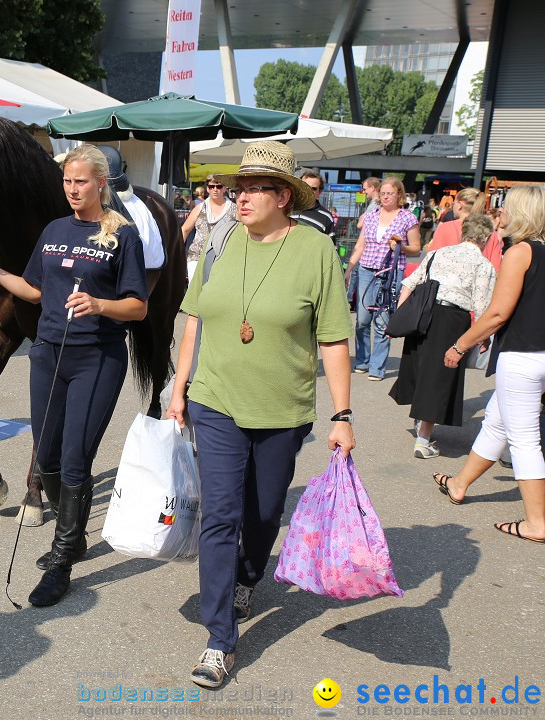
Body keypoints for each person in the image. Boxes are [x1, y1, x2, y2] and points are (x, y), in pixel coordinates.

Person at [165, 141, 354, 689]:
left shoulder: (315, 250)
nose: (239, 196)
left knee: (265, 510)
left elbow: (334, 337)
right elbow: (195, 319)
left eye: (253, 188)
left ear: (284, 197)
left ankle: (249, 576)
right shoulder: (221, 243)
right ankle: (219, 638)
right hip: (216, 399)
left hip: (281, 409)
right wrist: (179, 390)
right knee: (220, 515)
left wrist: (342, 413)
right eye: (238, 187)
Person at [0, 144, 148, 607]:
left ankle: (63, 556)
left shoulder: (121, 235)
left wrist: (100, 305)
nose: (71, 189)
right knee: (45, 458)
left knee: (74, 461)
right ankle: (72, 531)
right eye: (66, 181)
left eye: (80, 181)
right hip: (47, 355)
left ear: (101, 183)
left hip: (97, 360)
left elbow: (138, 306)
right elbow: (33, 288)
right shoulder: (54, 229)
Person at [433, 186, 545, 544]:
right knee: (498, 421)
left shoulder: (521, 251)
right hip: (539, 355)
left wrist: (460, 344)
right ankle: (459, 484)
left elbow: (497, 311)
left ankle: (536, 522)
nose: (501, 214)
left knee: (524, 439)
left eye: (505, 208)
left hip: (522, 355)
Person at [389, 214, 496, 459]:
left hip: (423, 313)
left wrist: (401, 315)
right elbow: (481, 306)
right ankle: (423, 440)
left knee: (420, 370)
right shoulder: (483, 265)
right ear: (486, 238)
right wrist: (483, 337)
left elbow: (410, 282)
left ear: (464, 232)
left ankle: (421, 425)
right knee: (438, 378)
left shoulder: (440, 253)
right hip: (452, 320)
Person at [344, 176, 421, 380]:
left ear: (399, 195)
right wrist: (349, 269)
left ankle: (377, 367)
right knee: (362, 319)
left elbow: (416, 248)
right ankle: (362, 360)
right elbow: (360, 246)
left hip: (390, 272)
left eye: (390, 194)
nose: (386, 197)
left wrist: (400, 247)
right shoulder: (371, 216)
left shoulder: (407, 218)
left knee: (382, 320)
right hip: (367, 270)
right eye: (383, 193)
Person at [427, 188, 500, 271]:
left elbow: (433, 262)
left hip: (448, 281)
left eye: (454, 203)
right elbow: (495, 269)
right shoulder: (490, 233)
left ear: (460, 205)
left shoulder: (445, 228)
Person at [181, 173, 237, 281]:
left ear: (225, 188)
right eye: (212, 186)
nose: (215, 189)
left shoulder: (235, 210)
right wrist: (176, 254)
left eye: (219, 186)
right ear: (207, 188)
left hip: (223, 258)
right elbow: (185, 230)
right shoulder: (199, 208)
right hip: (197, 256)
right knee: (195, 290)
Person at [291, 169, 336, 242]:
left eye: (313, 188)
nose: (308, 191)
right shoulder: (287, 209)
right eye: (305, 186)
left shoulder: (326, 217)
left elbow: (330, 248)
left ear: (320, 191)